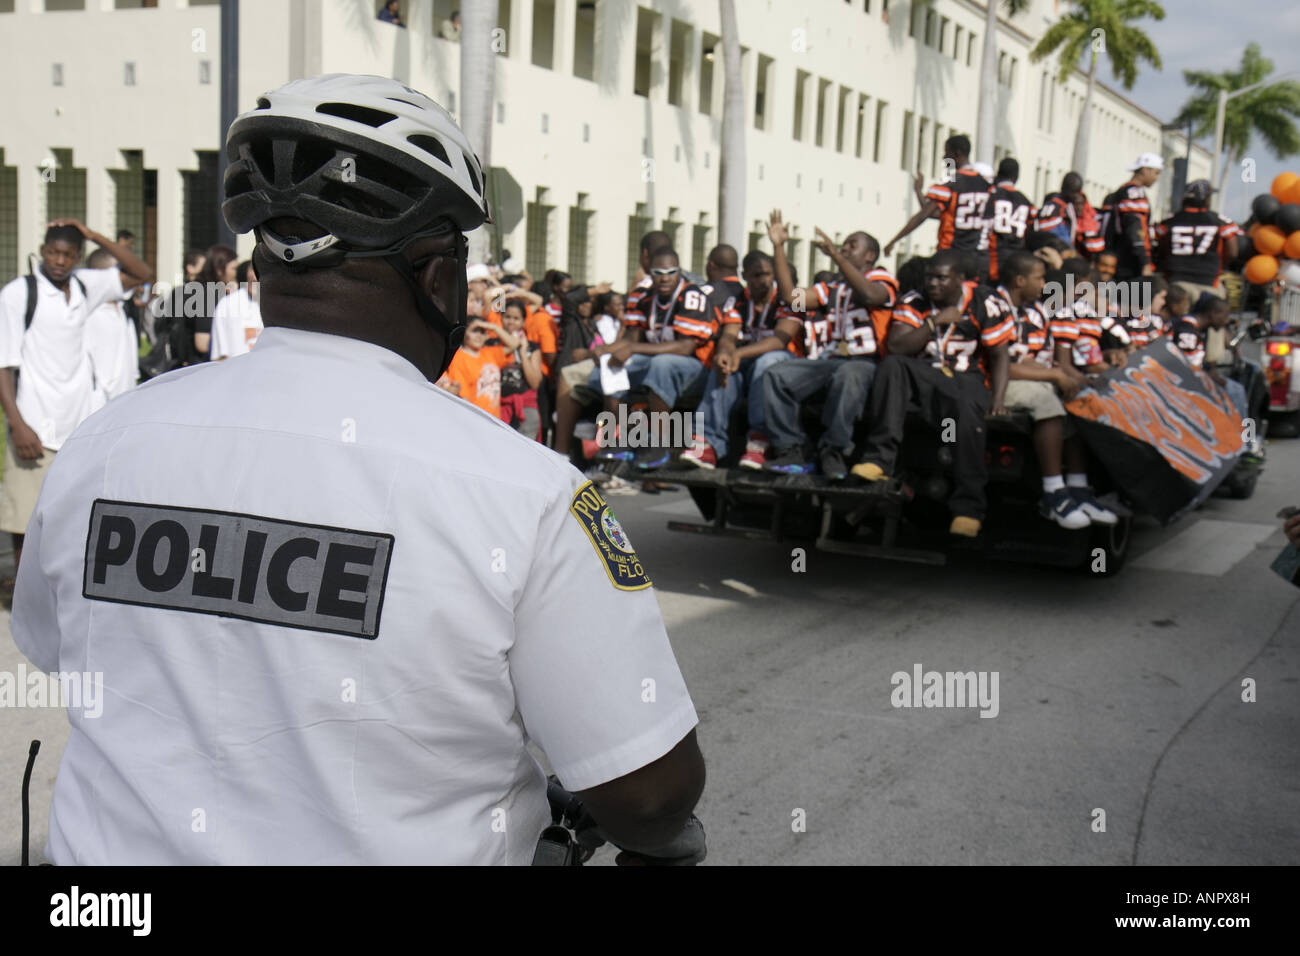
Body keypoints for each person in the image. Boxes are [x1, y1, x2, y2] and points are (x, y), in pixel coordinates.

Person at [11, 73, 704, 866]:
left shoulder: (106, 442)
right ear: (437, 277)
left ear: (267, 266)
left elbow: (55, 642)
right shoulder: (527, 493)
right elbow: (650, 795)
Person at [0, 219, 152, 582]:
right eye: (53, 252)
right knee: (25, 520)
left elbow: (142, 272)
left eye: (68, 254)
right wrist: (18, 425)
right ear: (42, 251)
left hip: (79, 427)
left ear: (78, 257)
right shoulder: (19, 293)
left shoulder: (86, 285)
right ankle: (22, 594)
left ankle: (61, 590)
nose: (59, 260)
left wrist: (95, 235)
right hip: (36, 424)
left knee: (75, 517)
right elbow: (3, 364)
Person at [850, 250, 1014, 537]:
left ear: (960, 279)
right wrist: (931, 324)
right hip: (927, 374)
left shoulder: (986, 302)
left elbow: (1000, 355)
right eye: (929, 277)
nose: (933, 284)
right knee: (893, 365)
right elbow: (899, 346)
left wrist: (998, 399)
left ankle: (968, 507)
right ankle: (879, 460)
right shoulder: (915, 300)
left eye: (941, 278)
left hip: (966, 376)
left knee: (966, 417)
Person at [762, 212, 899, 479]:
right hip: (831, 360)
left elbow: (871, 294)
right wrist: (779, 247)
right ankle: (791, 446)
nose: (845, 248)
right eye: (844, 245)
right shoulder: (832, 287)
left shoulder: (883, 279)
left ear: (870, 255)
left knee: (850, 374)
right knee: (777, 375)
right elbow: (793, 299)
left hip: (868, 361)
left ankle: (833, 449)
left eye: (852, 245)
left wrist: (836, 256)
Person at [994, 251, 1115, 529]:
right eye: (1040, 278)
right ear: (1020, 280)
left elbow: (1037, 359)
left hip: (1028, 375)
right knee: (1047, 400)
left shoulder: (1033, 309)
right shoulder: (997, 306)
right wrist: (1055, 375)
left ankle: (1078, 486)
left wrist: (1063, 376)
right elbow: (1004, 365)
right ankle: (1053, 492)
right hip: (996, 383)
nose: (1044, 283)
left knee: (1081, 400)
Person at [592, 248, 724, 469]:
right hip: (657, 360)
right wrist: (606, 350)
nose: (664, 277)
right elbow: (632, 337)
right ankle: (622, 435)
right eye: (658, 272)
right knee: (610, 365)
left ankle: (658, 442)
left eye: (670, 272)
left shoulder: (692, 295)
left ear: (679, 272)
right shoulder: (645, 297)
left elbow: (685, 346)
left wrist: (632, 348)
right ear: (649, 273)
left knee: (662, 364)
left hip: (697, 368)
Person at [681, 250, 801, 470]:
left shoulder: (791, 297)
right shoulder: (737, 299)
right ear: (745, 275)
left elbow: (779, 341)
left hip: (788, 363)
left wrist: (738, 353)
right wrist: (726, 352)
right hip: (747, 360)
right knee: (723, 365)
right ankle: (707, 442)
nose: (763, 280)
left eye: (767, 274)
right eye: (756, 275)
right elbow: (729, 334)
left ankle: (759, 442)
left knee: (767, 363)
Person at [883, 135, 991, 276]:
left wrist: (894, 240)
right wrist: (918, 192)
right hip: (977, 258)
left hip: (950, 255)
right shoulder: (987, 187)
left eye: (947, 153)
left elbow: (924, 215)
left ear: (956, 154)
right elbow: (936, 213)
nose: (944, 158)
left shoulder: (950, 185)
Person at [1153, 179, 1242, 304]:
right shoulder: (1220, 221)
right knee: (1210, 318)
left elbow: (1160, 247)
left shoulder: (1170, 221)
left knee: (1175, 321)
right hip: (1209, 281)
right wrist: (1221, 264)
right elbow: (1233, 251)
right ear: (1206, 198)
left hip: (1176, 281)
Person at [1172, 293, 1249, 418]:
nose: (1226, 321)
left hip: (1195, 379)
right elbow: (1186, 367)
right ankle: (1241, 434)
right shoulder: (1188, 330)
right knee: (1234, 390)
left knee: (1235, 388)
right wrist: (1212, 379)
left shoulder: (1201, 330)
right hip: (1184, 383)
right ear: (1213, 313)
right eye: (1225, 316)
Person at [82, 248, 141, 402]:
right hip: (97, 403)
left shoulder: (124, 310)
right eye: (119, 273)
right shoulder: (87, 313)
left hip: (125, 401)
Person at [1100, 152, 1163, 280]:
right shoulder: (1134, 192)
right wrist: (1144, 261)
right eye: (1156, 173)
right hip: (1129, 261)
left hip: (1117, 254)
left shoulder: (1122, 191)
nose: (1157, 178)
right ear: (1145, 170)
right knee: (1131, 298)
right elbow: (1134, 228)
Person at [981, 158, 1037, 284]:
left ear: (998, 173)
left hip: (993, 258)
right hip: (1016, 260)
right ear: (1016, 177)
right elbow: (1031, 229)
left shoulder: (991, 195)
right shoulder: (1026, 201)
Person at [496, 298, 545, 440]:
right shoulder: (491, 343)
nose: (511, 322)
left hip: (525, 406)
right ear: (501, 318)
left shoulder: (532, 348)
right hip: (497, 405)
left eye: (516, 318)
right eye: (507, 317)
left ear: (523, 321)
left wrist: (523, 353)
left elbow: (535, 383)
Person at [1034, 172, 1104, 259]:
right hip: (1058, 252)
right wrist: (1071, 253)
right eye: (1073, 192)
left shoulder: (1064, 204)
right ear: (1064, 189)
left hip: (1057, 250)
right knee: (1070, 271)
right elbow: (1058, 236)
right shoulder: (1060, 206)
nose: (1076, 195)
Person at [209, 259, 264, 360]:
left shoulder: (277, 308)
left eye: (260, 269)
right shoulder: (227, 305)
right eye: (252, 269)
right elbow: (220, 357)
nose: (254, 275)